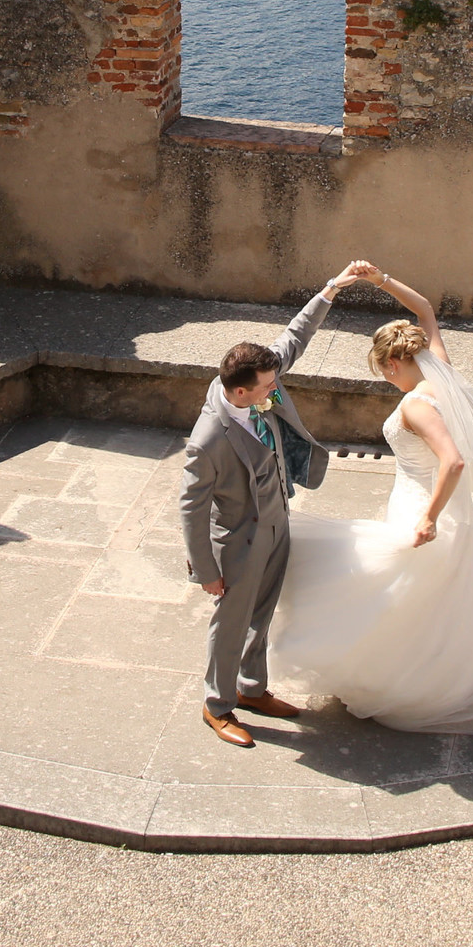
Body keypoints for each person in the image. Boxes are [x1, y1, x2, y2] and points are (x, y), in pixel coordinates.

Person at [269, 264, 473, 733]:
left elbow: (453, 462)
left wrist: (428, 518)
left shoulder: (415, 402)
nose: (388, 379)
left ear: (392, 363)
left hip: (423, 506)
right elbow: (426, 309)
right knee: (432, 596)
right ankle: (434, 665)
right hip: (447, 509)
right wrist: (379, 279)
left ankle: (402, 678)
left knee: (392, 590)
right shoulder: (441, 371)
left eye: (385, 372)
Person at [178, 264, 357, 748]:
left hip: (278, 522)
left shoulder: (254, 382)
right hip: (237, 542)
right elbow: (191, 507)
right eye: (266, 387)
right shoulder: (208, 440)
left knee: (264, 611)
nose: (274, 388)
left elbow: (293, 339)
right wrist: (206, 569)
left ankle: (252, 689)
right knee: (232, 622)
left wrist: (330, 289)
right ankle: (217, 706)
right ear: (241, 392)